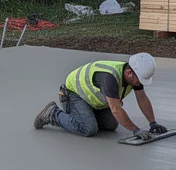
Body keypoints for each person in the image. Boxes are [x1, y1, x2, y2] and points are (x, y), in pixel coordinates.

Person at [33, 53, 167, 140]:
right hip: (72, 94)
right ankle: (52, 114)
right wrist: (136, 130)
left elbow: (142, 98)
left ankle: (88, 114)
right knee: (88, 129)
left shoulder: (133, 77)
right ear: (129, 73)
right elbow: (116, 109)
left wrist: (153, 123)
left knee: (111, 125)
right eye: (139, 80)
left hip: (92, 100)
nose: (140, 83)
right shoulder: (110, 78)